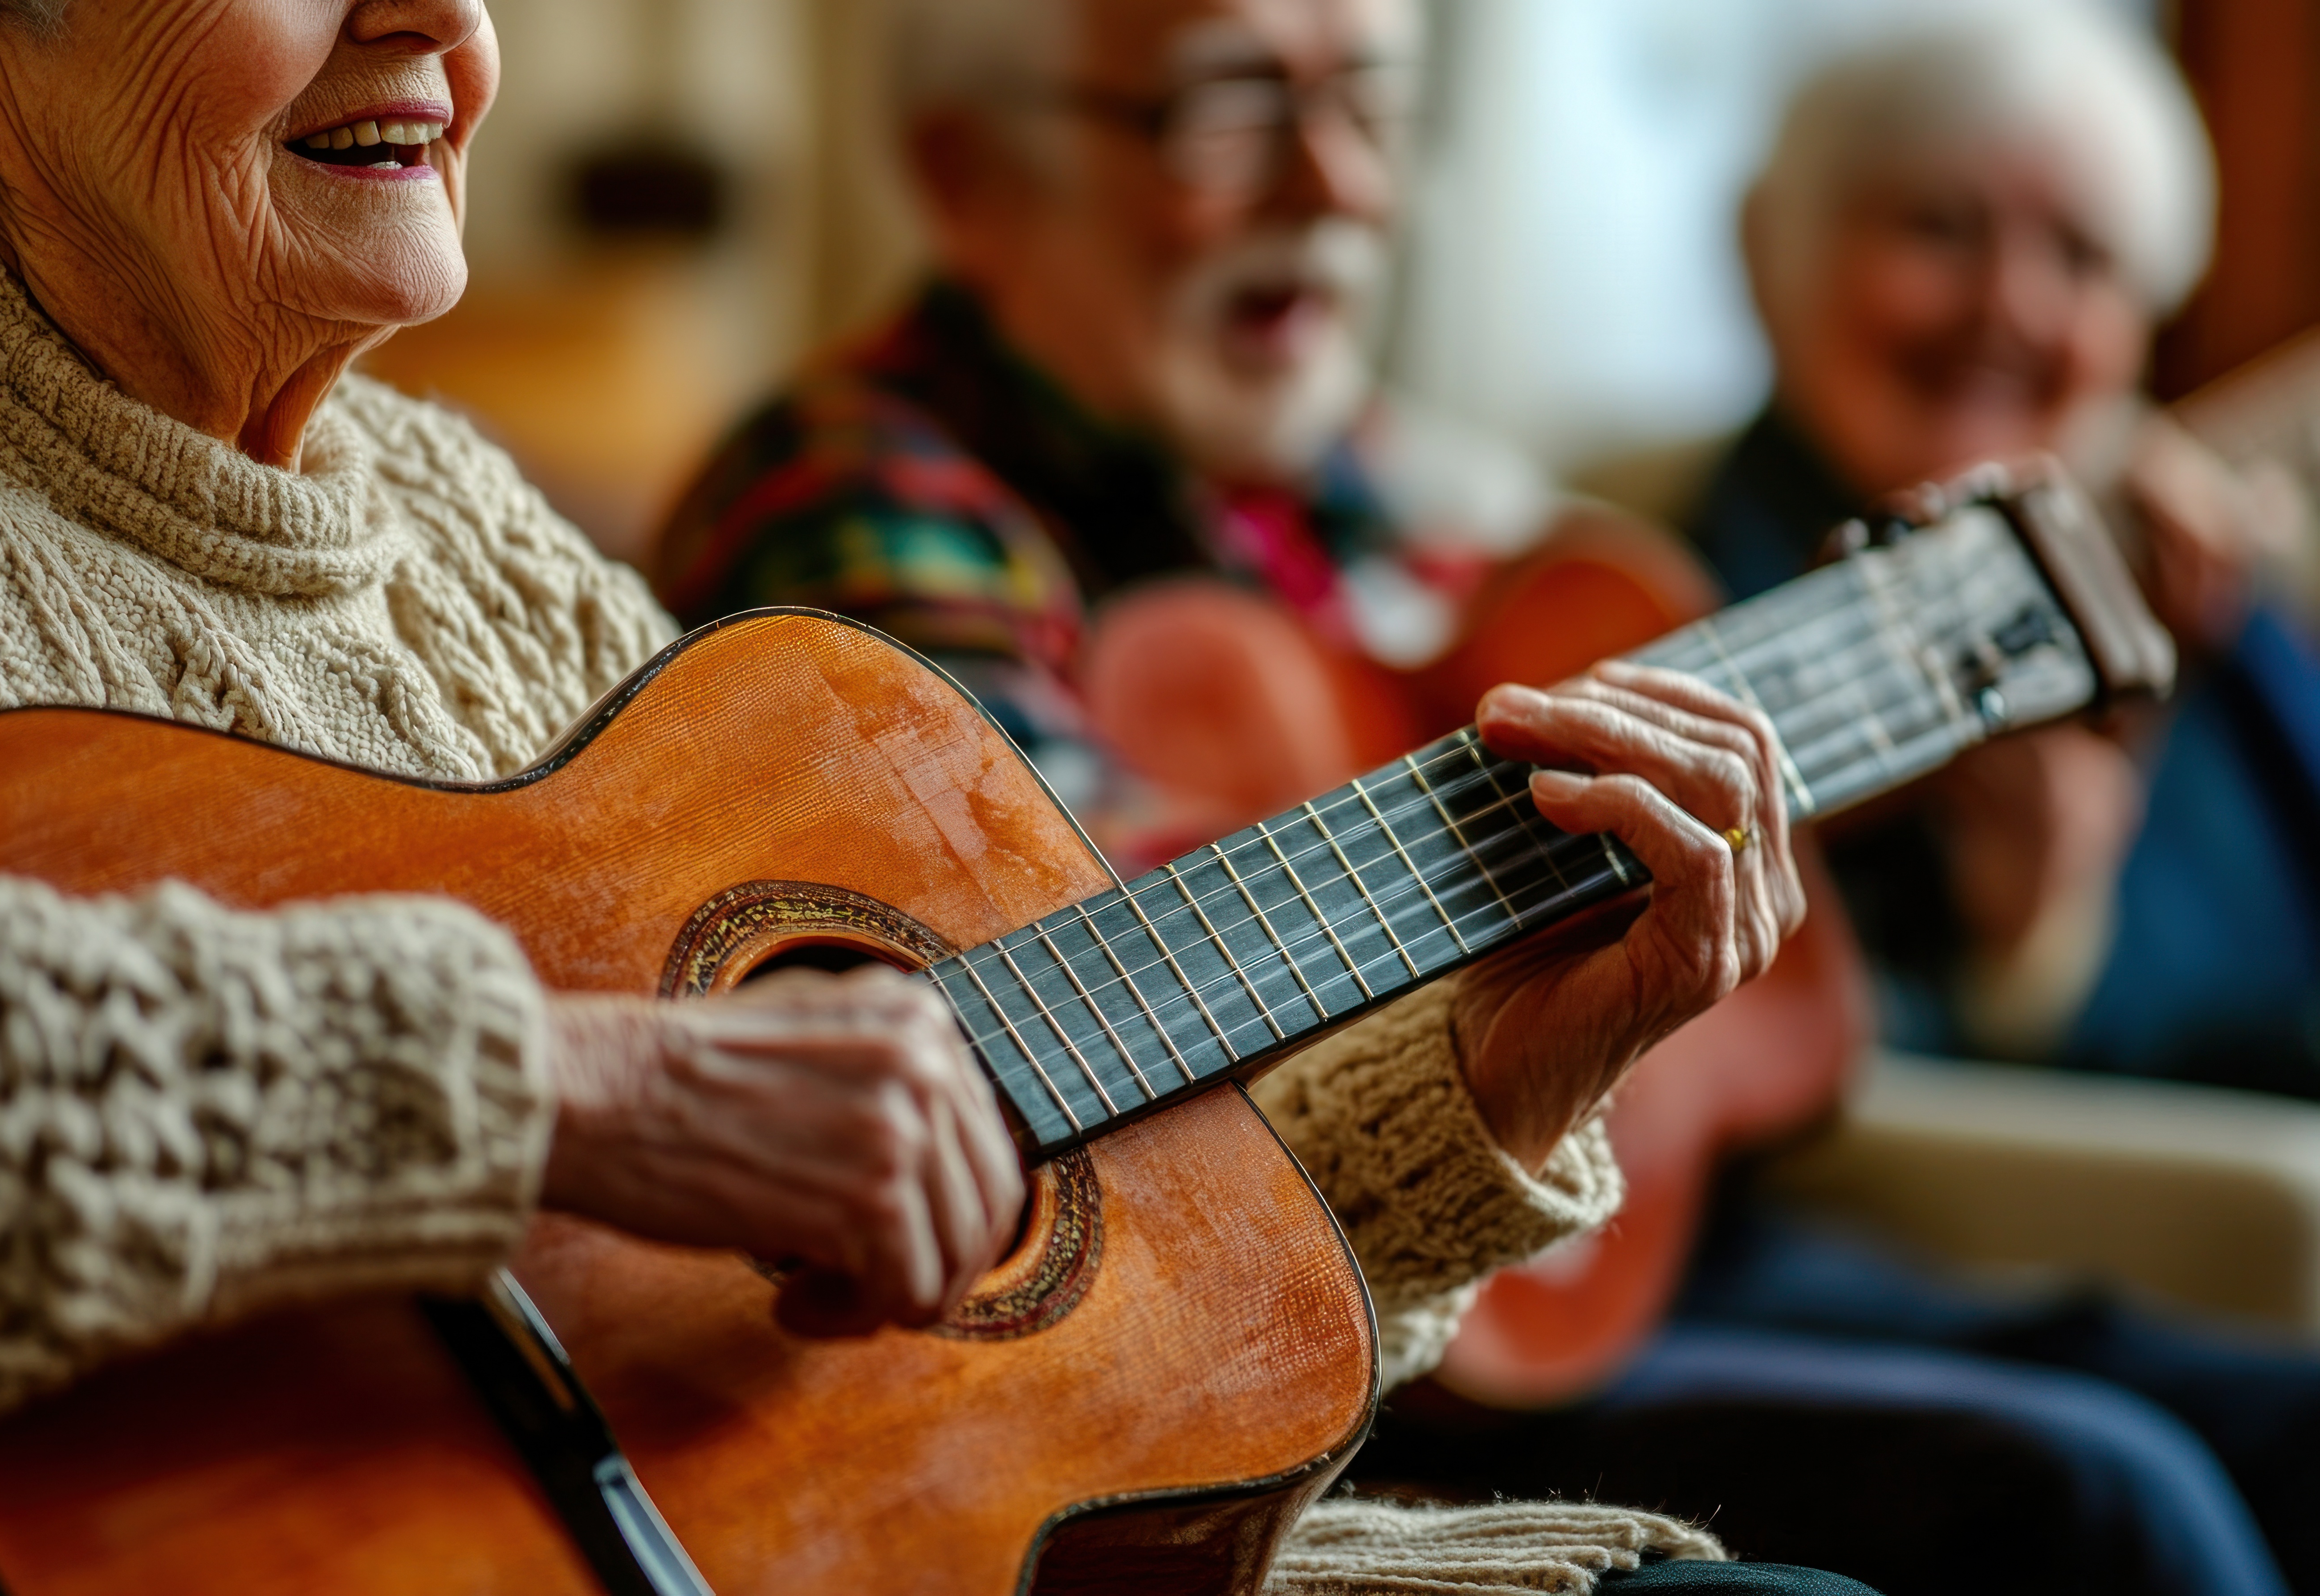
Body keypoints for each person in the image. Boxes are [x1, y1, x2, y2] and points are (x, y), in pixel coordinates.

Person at [0, 2, 1853, 1592]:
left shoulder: (472, 531)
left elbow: (1036, 1291)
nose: (436, 24)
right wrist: (575, 1093)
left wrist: (1496, 1070)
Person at [654, 0, 2319, 1590]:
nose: (1343, 185)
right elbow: (1097, 1093)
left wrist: (1911, 816)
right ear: (964, 172)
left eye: (1373, 104)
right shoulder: (861, 520)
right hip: (1331, 1350)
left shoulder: (1399, 488)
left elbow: (1768, 1017)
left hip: (1608, 1262)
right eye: (1230, 109)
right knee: (2103, 1493)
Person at [1701, 4, 2318, 1085]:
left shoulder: (2176, 554)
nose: (2013, 306)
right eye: (1939, 227)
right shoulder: (1683, 610)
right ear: (1777, 254)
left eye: (2083, 257)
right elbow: (1749, 1115)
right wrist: (2029, 942)